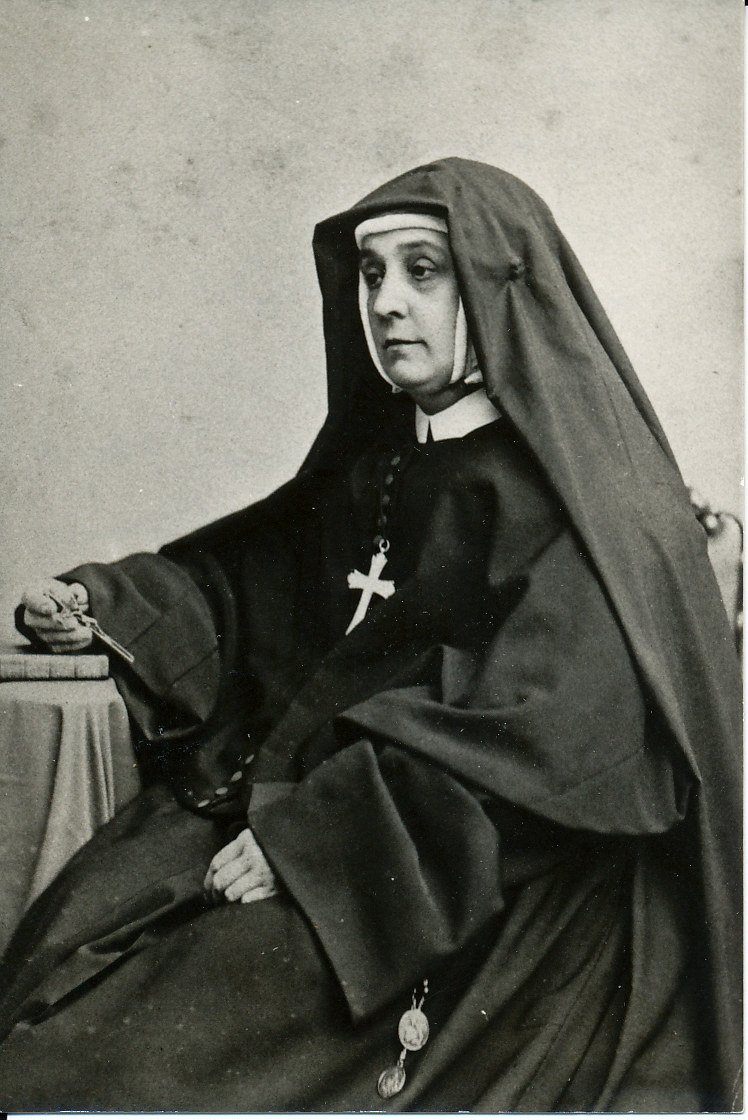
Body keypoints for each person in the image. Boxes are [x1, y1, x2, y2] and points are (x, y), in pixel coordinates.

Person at [0, 157, 741, 1112]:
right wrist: (100, 605)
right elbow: (242, 582)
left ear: (498, 287)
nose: (387, 303)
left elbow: (545, 741)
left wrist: (315, 842)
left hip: (448, 875)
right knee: (61, 957)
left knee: (109, 1069)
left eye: (423, 271)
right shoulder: (382, 464)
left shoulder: (585, 507)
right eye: (373, 273)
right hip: (316, 814)